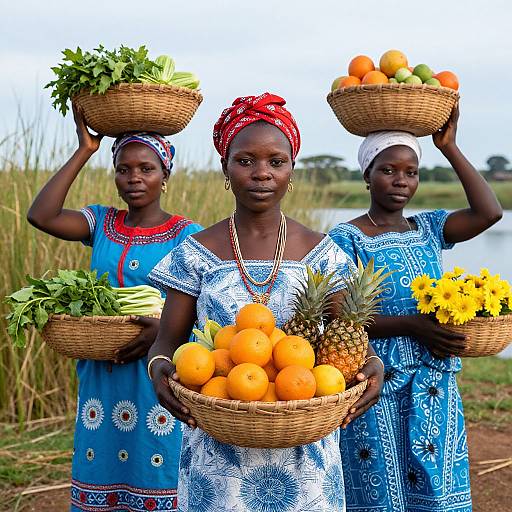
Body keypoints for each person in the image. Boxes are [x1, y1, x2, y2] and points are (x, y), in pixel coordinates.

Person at [146, 92, 384, 512]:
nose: (261, 173)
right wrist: (159, 370)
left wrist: (374, 363)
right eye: (245, 160)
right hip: (218, 448)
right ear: (225, 167)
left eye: (276, 161)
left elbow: (351, 338)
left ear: (291, 170)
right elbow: (166, 341)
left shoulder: (322, 252)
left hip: (304, 451)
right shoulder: (194, 251)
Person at [27, 105, 202, 511]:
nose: (135, 178)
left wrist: (161, 332)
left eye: (146, 168)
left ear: (165, 175)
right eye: (124, 169)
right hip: (102, 370)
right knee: (101, 464)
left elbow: (204, 307)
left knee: (156, 466)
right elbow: (42, 214)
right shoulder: (101, 223)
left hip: (159, 372)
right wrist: (85, 149)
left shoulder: (187, 234)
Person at [329, 105, 503, 512]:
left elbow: (489, 212)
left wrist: (450, 147)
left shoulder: (428, 228)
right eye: (388, 170)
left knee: (438, 491)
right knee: (382, 492)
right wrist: (413, 325)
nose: (401, 181)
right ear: (366, 176)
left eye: (411, 172)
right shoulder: (346, 238)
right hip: (376, 381)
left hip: (434, 381)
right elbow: (338, 318)